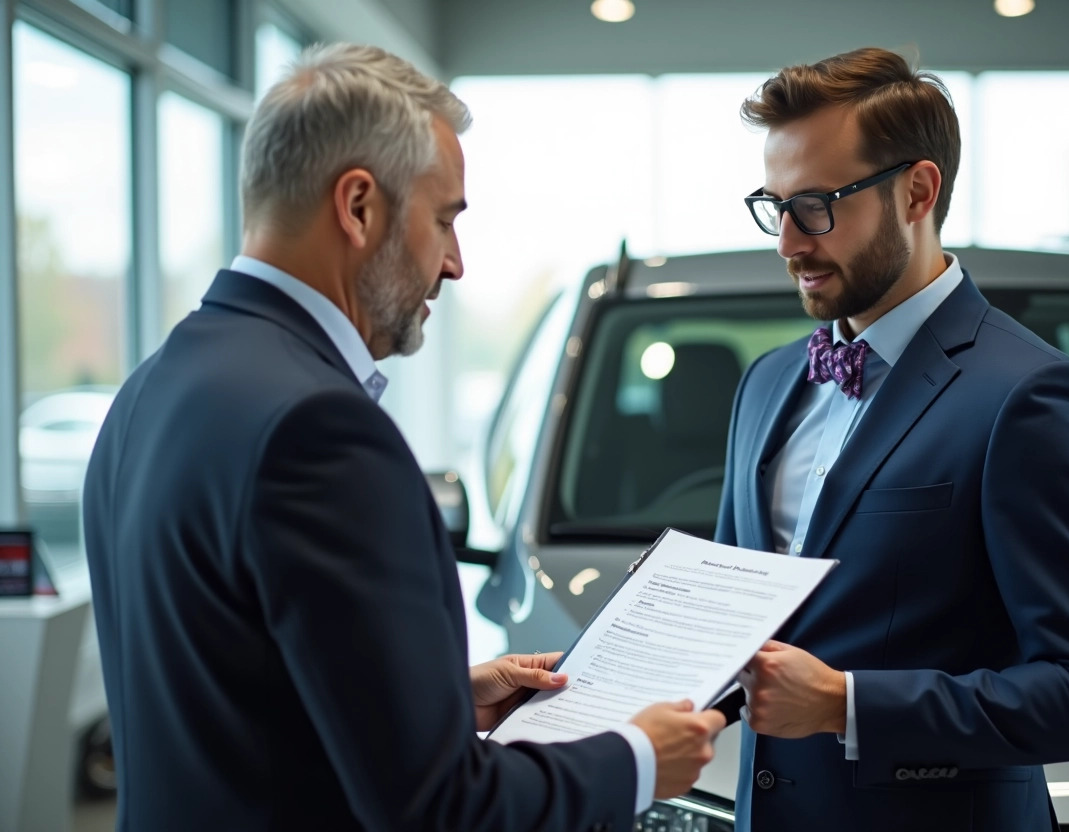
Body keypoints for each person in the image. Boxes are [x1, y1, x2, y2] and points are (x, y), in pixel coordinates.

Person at [82, 43, 724, 832]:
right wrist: (636, 757)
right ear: (357, 206)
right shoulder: (320, 430)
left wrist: (442, 699)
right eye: (445, 218)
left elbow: (233, 703)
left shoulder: (153, 386)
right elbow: (442, 813)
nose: (455, 263)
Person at [716, 47, 1069, 831]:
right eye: (772, 205)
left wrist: (847, 705)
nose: (787, 242)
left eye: (815, 205)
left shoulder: (1031, 396)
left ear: (917, 191)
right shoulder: (767, 385)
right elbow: (731, 625)